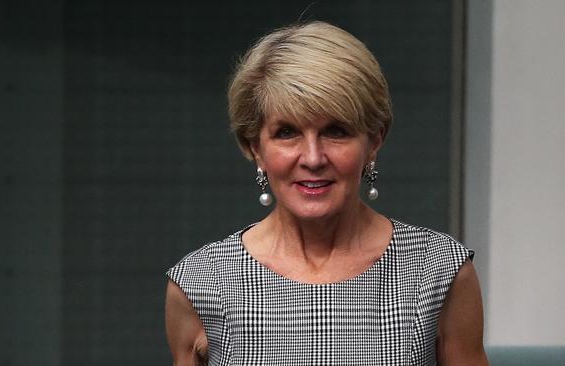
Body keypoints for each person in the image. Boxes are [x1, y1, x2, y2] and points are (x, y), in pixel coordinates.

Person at [165, 21, 488, 365]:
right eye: (287, 132)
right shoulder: (201, 282)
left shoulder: (437, 271)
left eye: (336, 131)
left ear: (374, 140)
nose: (313, 158)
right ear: (254, 146)